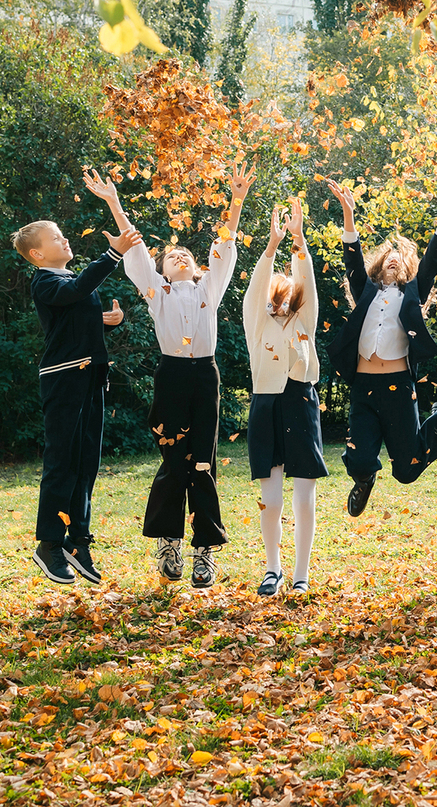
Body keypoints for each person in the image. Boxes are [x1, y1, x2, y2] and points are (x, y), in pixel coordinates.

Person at [85, 163, 254, 588]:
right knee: (173, 461)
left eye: (187, 255)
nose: (179, 255)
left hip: (205, 376)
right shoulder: (156, 292)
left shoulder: (207, 290)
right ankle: (168, 540)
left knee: (203, 462)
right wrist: (114, 202)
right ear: (161, 271)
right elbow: (136, 250)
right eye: (170, 256)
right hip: (171, 376)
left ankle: (205, 551)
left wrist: (236, 200)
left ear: (197, 268)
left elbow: (226, 244)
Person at [326, 180, 437, 517]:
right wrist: (348, 214)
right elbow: (351, 256)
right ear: (379, 265)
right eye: (388, 260)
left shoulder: (412, 293)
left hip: (399, 388)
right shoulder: (366, 290)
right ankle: (364, 480)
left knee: (407, 471)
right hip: (364, 387)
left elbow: (432, 259)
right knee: (362, 459)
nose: (393, 262)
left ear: (406, 268)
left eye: (399, 260)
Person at [12, 212, 137, 585]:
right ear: (37, 255)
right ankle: (48, 543)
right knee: (62, 462)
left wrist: (105, 319)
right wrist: (111, 255)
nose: (64, 240)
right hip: (64, 378)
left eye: (62, 234)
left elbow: (74, 314)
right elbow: (72, 294)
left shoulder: (68, 278)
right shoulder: (45, 281)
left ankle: (77, 540)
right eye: (55, 238)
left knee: (86, 463)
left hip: (92, 376)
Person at [244, 198, 327, 594]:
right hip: (265, 407)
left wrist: (298, 241)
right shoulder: (256, 325)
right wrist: (272, 246)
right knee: (272, 500)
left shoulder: (304, 322)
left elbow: (307, 282)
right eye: (275, 297)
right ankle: (272, 570)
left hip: (301, 403)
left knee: (304, 498)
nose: (280, 302)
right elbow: (255, 289)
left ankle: (300, 574)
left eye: (287, 297)